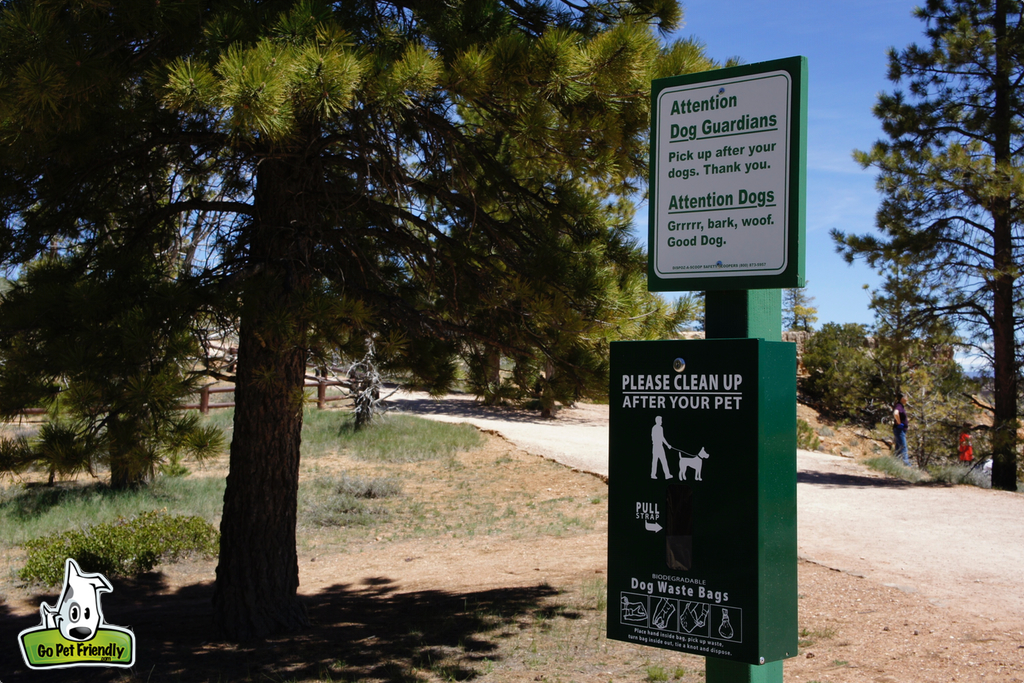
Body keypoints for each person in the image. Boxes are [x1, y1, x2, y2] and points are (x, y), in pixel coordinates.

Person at [892, 392, 910, 466]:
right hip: (900, 430)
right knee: (903, 446)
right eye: (906, 398)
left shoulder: (901, 406)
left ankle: (895, 463)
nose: (907, 400)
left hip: (901, 430)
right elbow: (896, 413)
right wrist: (899, 423)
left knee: (898, 447)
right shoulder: (899, 406)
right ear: (903, 398)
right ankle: (906, 464)